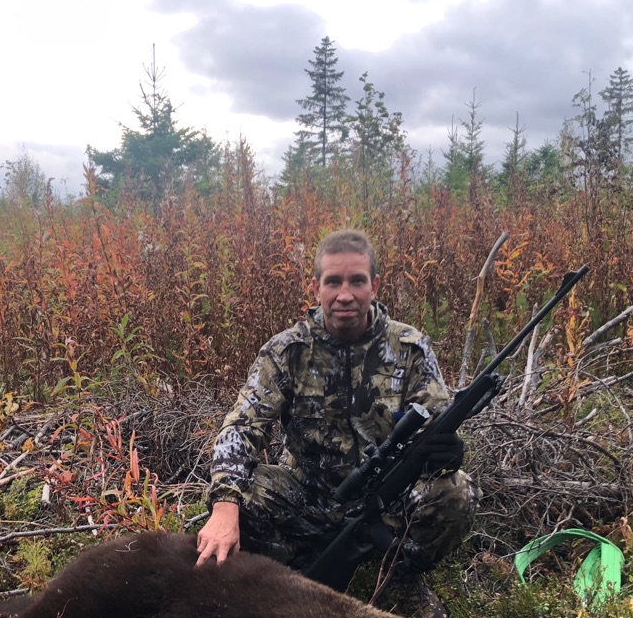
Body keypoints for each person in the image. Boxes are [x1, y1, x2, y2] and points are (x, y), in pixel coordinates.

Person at [195, 229, 476, 576]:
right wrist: (224, 505)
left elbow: (433, 427)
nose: (345, 295)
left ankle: (396, 576)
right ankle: (295, 573)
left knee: (455, 491)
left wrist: (445, 453)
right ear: (316, 288)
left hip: (385, 500)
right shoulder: (287, 351)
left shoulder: (409, 348)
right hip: (307, 497)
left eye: (357, 281)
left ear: (374, 285)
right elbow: (241, 426)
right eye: (333, 282)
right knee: (245, 497)